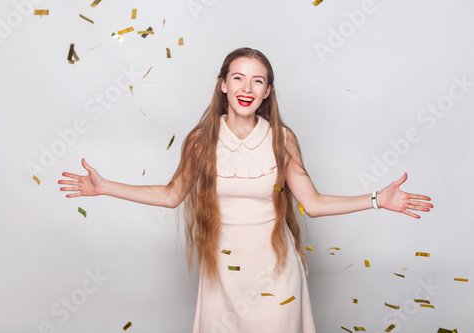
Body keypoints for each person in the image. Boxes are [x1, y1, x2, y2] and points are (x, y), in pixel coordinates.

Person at [58, 47, 433, 333]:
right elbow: (172, 195)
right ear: (223, 85)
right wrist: (105, 187)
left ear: (268, 91)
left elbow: (313, 204)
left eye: (257, 81)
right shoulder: (200, 140)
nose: (247, 88)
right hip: (221, 273)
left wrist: (377, 200)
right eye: (238, 78)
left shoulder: (281, 140)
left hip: (276, 271)